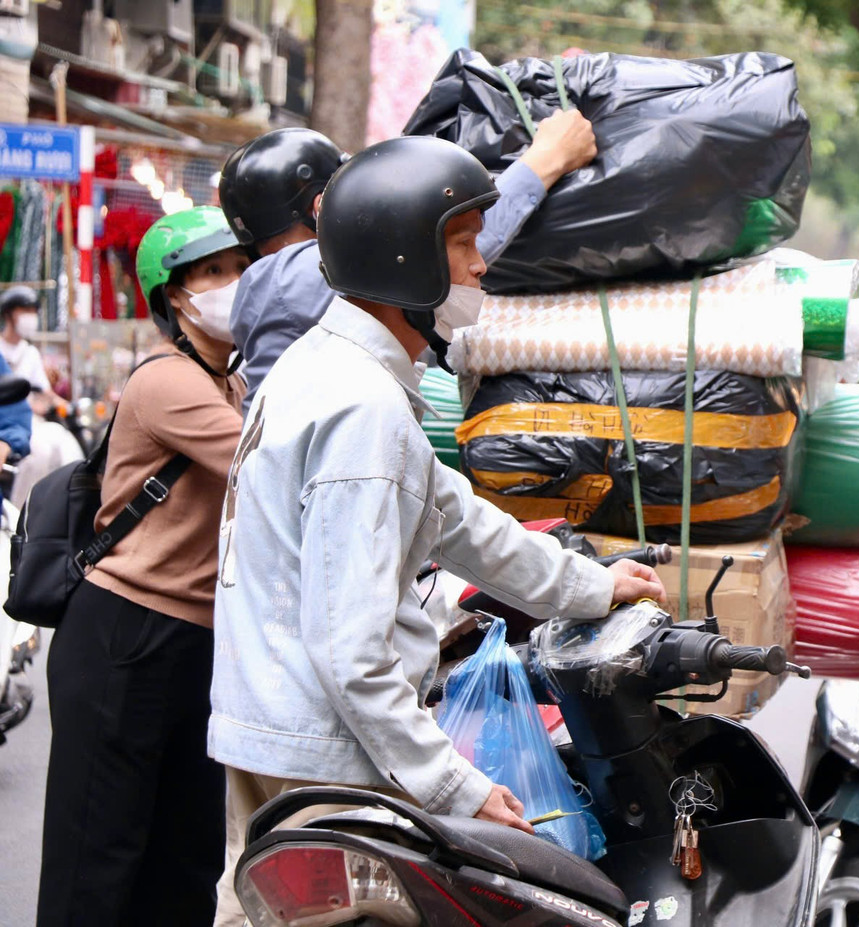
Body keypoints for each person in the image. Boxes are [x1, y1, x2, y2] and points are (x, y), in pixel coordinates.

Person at [208, 136, 666, 926]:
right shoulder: (363, 409)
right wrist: (459, 787)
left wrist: (590, 584)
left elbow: (451, 512)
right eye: (461, 244)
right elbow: (351, 653)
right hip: (328, 756)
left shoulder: (324, 367)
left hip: (276, 733)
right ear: (402, 258)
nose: (480, 265)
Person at [37, 206, 248, 926]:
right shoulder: (168, 382)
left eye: (241, 268)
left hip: (195, 640)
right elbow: (272, 467)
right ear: (175, 297)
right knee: (95, 860)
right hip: (124, 632)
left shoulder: (231, 383)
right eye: (212, 272)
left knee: (185, 859)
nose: (233, 284)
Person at [220, 113, 598, 410]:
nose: (477, 263)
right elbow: (430, 244)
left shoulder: (269, 282)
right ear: (323, 205)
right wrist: (547, 158)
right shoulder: (295, 277)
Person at [0, 285, 83, 500]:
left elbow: (42, 392)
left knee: (60, 445)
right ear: (9, 313)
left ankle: (28, 516)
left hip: (25, 419)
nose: (30, 317)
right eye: (24, 311)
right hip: (21, 419)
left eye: (32, 312)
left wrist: (66, 405)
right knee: (39, 452)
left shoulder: (30, 353)